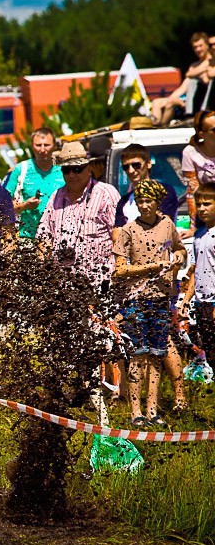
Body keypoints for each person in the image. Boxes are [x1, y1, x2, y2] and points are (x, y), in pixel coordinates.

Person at [113, 178, 187, 426]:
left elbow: (180, 248)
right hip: (136, 299)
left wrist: (178, 257)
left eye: (148, 201)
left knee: (157, 355)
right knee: (137, 355)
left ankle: (152, 409)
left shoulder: (167, 224)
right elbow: (120, 270)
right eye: (140, 201)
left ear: (158, 202)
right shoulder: (128, 230)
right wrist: (152, 267)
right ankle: (136, 411)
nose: (144, 206)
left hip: (160, 299)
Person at [35, 141, 121, 289]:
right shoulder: (56, 196)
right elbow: (43, 238)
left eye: (77, 169)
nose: (72, 175)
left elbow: (119, 238)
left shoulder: (106, 194)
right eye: (66, 170)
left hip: (100, 284)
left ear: (89, 168)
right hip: (64, 286)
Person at [6, 127, 63, 238]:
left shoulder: (63, 171)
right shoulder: (21, 170)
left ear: (54, 146)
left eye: (46, 145)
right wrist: (24, 206)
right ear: (32, 146)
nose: (42, 149)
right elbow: (3, 204)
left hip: (58, 236)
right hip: (28, 237)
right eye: (38, 145)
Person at [182, 181, 215, 366]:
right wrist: (186, 300)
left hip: (214, 300)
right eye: (199, 204)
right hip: (201, 302)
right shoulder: (199, 235)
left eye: (207, 204)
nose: (202, 209)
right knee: (210, 352)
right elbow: (196, 269)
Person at [150, 32, 212, 125]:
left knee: (170, 103)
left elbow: (196, 76)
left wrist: (190, 73)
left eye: (200, 46)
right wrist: (170, 98)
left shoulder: (211, 62)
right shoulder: (194, 65)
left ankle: (161, 126)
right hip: (186, 97)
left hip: (200, 100)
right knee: (156, 102)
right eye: (195, 47)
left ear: (207, 46)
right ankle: (154, 126)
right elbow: (183, 86)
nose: (198, 49)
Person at [114, 144, 179, 227]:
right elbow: (117, 232)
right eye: (126, 167)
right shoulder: (124, 201)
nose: (131, 171)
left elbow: (164, 226)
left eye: (136, 165)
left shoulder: (164, 191)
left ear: (148, 163)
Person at [182, 110, 215, 197]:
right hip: (205, 202)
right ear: (201, 134)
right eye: (214, 130)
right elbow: (192, 191)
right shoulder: (190, 152)